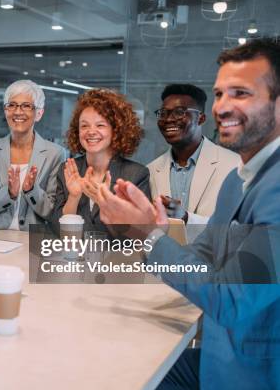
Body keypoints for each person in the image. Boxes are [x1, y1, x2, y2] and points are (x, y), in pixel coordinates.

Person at [94, 38, 280, 389]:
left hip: (252, 373)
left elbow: (231, 300)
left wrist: (148, 235)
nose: (222, 107)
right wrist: (155, 232)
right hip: (216, 354)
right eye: (220, 93)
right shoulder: (235, 182)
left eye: (241, 93)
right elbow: (202, 258)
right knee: (114, 362)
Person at [51, 88, 150, 234]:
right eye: (84, 126)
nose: (91, 131)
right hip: (74, 255)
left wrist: (105, 204)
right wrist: (73, 197)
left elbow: (140, 236)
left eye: (100, 125)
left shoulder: (136, 175)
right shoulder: (68, 169)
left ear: (116, 130)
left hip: (118, 256)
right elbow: (57, 230)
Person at [0, 80, 66, 233]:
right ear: (5, 110)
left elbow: (52, 211)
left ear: (39, 113)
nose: (18, 112)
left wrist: (32, 190)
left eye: (26, 106)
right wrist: (9, 193)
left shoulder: (55, 154)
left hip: (33, 239)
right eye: (12, 105)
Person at [148, 84, 239, 228]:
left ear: (201, 118)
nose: (169, 119)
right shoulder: (150, 171)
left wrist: (186, 218)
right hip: (165, 250)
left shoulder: (234, 165)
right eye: (164, 113)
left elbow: (241, 228)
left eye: (179, 112)